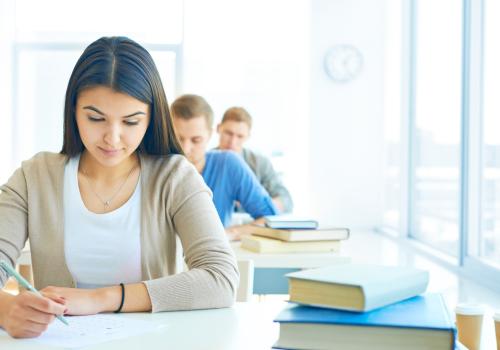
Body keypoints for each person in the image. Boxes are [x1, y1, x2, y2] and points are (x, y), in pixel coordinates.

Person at [0, 37, 238, 339]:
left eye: (130, 121)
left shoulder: (175, 177)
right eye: (95, 118)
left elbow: (221, 278)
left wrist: (100, 298)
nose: (112, 138)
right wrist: (6, 309)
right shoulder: (34, 177)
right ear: (73, 111)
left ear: (151, 119)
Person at [170, 94, 277, 239]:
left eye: (196, 140)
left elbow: (272, 219)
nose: (185, 149)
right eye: (178, 138)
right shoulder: (153, 168)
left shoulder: (228, 164)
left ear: (210, 134)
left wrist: (231, 233)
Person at [217, 107, 293, 213]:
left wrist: (256, 202)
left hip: (251, 226)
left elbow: (286, 201)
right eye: (228, 133)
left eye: (240, 136)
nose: (232, 142)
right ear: (218, 128)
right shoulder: (204, 161)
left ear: (248, 136)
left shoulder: (260, 163)